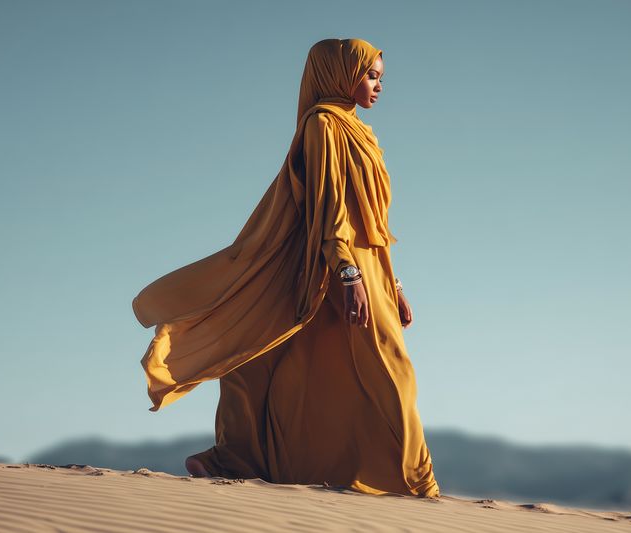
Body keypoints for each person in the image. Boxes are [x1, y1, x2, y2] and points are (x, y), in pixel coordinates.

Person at [131, 37, 441, 498]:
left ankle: (248, 461)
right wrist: (348, 273)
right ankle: (417, 486)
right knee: (390, 372)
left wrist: (393, 284)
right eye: (371, 75)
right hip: (338, 266)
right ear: (339, 75)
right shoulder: (322, 125)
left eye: (380, 77)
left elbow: (373, 220)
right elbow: (329, 204)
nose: (378, 86)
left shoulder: (362, 133)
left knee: (305, 368)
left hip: (370, 267)